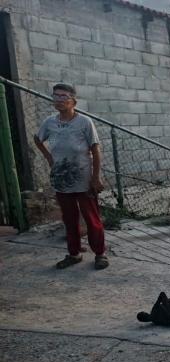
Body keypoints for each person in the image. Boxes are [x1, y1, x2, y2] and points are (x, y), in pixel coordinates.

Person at [34, 83, 108, 270]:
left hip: (84, 179)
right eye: (55, 96)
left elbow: (96, 150)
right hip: (61, 179)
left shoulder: (84, 122)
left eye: (63, 96)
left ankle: (100, 254)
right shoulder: (49, 123)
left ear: (73, 101)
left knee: (92, 218)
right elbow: (38, 139)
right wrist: (49, 158)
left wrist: (95, 178)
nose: (59, 100)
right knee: (69, 218)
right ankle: (74, 254)